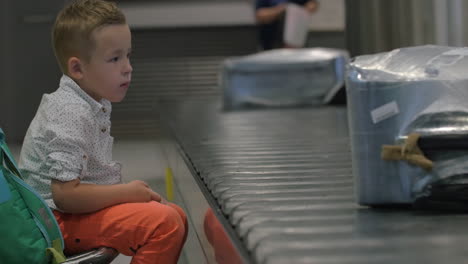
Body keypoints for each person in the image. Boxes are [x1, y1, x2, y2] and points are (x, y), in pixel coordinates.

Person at [18, 1, 187, 263]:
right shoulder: (71, 111)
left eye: (128, 55)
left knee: (177, 215)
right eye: (115, 58)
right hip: (55, 221)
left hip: (69, 213)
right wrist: (127, 193)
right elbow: (65, 196)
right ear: (78, 69)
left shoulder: (92, 99)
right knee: (165, 224)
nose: (127, 66)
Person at [255, 0, 319, 50]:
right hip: (271, 44)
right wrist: (282, 9)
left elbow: (312, 4)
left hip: (296, 44)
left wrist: (301, 10)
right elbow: (260, 15)